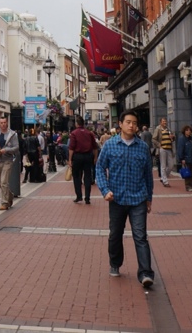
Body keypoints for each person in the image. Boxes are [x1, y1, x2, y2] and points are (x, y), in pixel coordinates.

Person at [96, 110, 154, 288]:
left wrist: (149, 198)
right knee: (115, 234)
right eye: (128, 122)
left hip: (138, 198)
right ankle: (115, 263)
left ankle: (145, 273)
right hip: (117, 199)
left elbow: (148, 175)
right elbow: (99, 168)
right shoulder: (110, 145)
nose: (131, 125)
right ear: (120, 124)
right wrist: (105, 190)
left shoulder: (142, 147)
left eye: (134, 123)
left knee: (140, 236)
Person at [0, 116, 19, 210]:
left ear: (7, 123)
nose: (3, 124)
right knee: (0, 182)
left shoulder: (12, 134)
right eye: (1, 123)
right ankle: (10, 196)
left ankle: (4, 203)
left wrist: (6, 150)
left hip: (8, 160)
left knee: (4, 181)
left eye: (4, 122)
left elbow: (16, 147)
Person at [68, 116, 97, 204]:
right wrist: (95, 157)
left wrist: (70, 159)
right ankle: (87, 198)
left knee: (76, 176)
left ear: (76, 124)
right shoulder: (89, 133)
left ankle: (79, 196)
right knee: (88, 176)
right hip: (88, 156)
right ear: (83, 124)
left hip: (77, 157)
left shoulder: (74, 133)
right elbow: (95, 147)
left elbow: (71, 147)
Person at [176, 125, 192, 192]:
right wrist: (182, 158)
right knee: (187, 173)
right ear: (184, 131)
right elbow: (180, 149)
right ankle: (188, 186)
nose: (189, 131)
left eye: (189, 130)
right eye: (187, 130)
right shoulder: (182, 139)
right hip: (186, 158)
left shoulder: (191, 139)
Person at [153, 117, 174, 187]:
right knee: (163, 165)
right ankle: (165, 181)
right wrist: (159, 145)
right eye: (163, 121)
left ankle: (163, 177)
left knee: (171, 165)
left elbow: (173, 138)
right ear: (160, 122)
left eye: (165, 121)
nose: (165, 122)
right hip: (162, 149)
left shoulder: (168, 129)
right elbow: (154, 139)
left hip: (169, 149)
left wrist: (173, 137)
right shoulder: (158, 129)